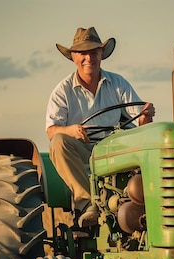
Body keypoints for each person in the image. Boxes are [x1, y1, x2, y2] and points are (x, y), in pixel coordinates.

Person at [45, 27, 155, 227]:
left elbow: (140, 121)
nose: (89, 58)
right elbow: (52, 130)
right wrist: (71, 130)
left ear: (101, 54)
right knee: (58, 142)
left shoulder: (117, 83)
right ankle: (88, 203)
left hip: (116, 151)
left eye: (93, 52)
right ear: (74, 57)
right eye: (83, 53)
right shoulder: (63, 90)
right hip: (83, 151)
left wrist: (146, 114)